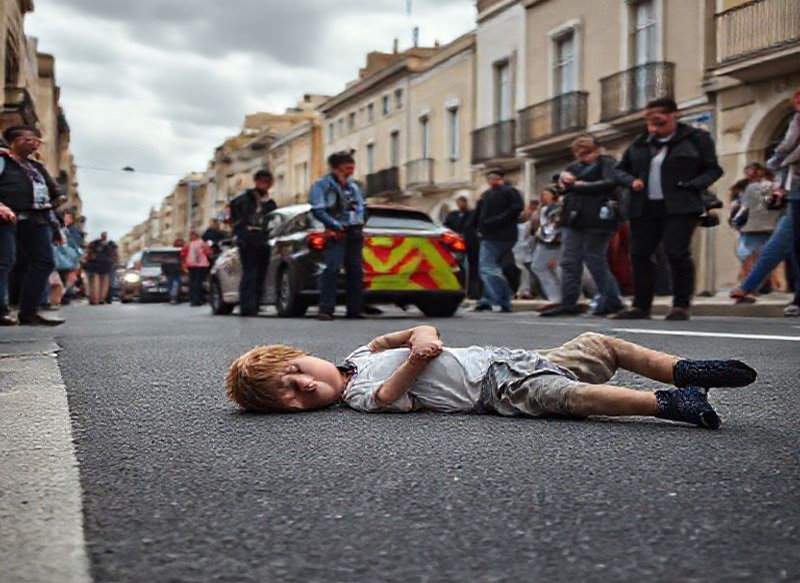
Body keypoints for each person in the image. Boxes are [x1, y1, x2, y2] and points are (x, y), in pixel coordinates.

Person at [225, 325, 756, 431]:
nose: (303, 386)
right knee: (571, 396)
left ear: (302, 354)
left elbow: (413, 331)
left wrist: (421, 337)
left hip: (511, 356)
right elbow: (391, 396)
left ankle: (683, 370)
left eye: (295, 373)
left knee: (600, 345)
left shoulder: (361, 354)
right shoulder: (360, 395)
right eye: (288, 396)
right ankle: (670, 403)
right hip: (498, 389)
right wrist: (417, 362)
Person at [612, 98, 723, 321]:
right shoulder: (640, 142)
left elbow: (713, 170)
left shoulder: (696, 139)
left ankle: (681, 305)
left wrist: (693, 185)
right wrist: (631, 181)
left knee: (676, 251)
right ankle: (641, 306)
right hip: (644, 206)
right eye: (649, 117)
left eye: (659, 116)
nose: (654, 121)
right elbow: (619, 170)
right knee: (640, 254)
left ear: (674, 115)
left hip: (681, 205)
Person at [541, 137, 625, 317]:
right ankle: (568, 303)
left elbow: (610, 183)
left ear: (597, 149)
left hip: (598, 218)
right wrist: (564, 182)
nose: (582, 156)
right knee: (569, 261)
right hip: (573, 218)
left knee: (594, 259)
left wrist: (579, 186)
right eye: (578, 152)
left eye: (586, 152)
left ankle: (612, 300)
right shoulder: (574, 167)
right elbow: (562, 189)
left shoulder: (608, 163)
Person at [0, 125, 66, 326]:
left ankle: (29, 311)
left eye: (37, 141)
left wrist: (55, 227)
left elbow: (50, 198)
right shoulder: (3, 160)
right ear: (14, 142)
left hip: (36, 219)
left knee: (44, 261)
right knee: (5, 261)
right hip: (6, 218)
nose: (34, 144)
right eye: (28, 140)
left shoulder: (36, 167)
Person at [308, 151, 366, 321]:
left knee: (355, 270)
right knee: (332, 269)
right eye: (346, 169)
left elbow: (360, 207)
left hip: (354, 231)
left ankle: (355, 309)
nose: (350, 172)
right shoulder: (322, 185)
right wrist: (334, 226)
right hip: (336, 233)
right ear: (335, 168)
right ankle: (326, 309)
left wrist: (360, 223)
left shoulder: (354, 186)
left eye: (352, 168)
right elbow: (318, 209)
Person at [766, 89, 800, 317]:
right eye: (797, 103)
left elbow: (788, 148)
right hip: (796, 188)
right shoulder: (795, 122)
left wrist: (780, 159)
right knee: (796, 246)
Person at [472, 169, 524, 313]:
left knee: (487, 268)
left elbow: (516, 209)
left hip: (498, 235)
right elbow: (479, 214)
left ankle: (501, 298)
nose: (492, 181)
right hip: (491, 234)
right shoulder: (487, 195)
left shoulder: (509, 191)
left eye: (495, 178)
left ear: (501, 178)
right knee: (494, 267)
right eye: (490, 178)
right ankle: (487, 299)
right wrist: (477, 228)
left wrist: (493, 222)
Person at [230, 170, 277, 316]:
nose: (264, 185)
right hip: (248, 241)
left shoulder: (269, 202)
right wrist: (242, 233)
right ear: (256, 182)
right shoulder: (245, 199)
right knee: (250, 273)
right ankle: (247, 306)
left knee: (261, 274)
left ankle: (255, 304)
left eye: (267, 183)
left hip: (263, 241)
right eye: (262, 182)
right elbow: (236, 217)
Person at [731, 163, 782, 286]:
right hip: (765, 226)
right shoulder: (773, 186)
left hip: (755, 226)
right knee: (761, 254)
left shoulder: (753, 187)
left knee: (751, 255)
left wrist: (736, 221)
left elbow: (745, 207)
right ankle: (763, 282)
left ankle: (755, 284)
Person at [530, 187, 562, 308]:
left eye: (546, 194)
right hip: (543, 241)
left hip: (553, 241)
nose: (543, 197)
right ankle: (555, 297)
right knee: (540, 267)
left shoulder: (557, 208)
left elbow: (553, 226)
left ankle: (558, 297)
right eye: (542, 194)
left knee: (550, 268)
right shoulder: (542, 209)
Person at [444, 195, 480, 299]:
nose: (461, 205)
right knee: (458, 267)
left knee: (473, 268)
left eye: (463, 202)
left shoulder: (472, 214)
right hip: (456, 245)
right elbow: (447, 227)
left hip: (471, 244)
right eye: (459, 202)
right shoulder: (453, 215)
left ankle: (473, 291)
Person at [83, 232, 118, 305]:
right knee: (104, 281)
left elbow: (88, 253)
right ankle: (101, 298)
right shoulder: (110, 244)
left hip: (95, 263)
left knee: (95, 281)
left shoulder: (94, 243)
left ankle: (95, 299)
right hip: (106, 264)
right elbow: (114, 255)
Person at [183, 231, 211, 306]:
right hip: (200, 265)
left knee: (193, 283)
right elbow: (208, 252)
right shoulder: (202, 243)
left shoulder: (188, 244)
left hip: (191, 265)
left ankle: (193, 300)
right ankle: (197, 299)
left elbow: (184, 253)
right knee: (198, 283)